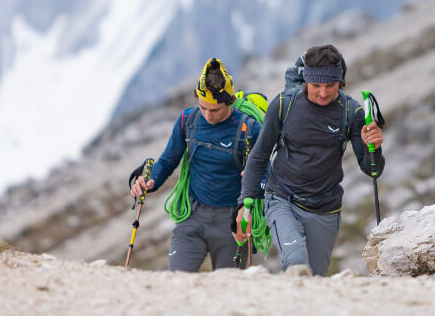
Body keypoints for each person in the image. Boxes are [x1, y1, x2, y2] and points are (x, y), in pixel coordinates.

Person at [236, 44, 384, 276]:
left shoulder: (351, 112)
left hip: (325, 210)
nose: (323, 93)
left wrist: (373, 146)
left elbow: (372, 170)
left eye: (330, 85)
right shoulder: (284, 105)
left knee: (315, 279)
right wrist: (244, 203)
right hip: (281, 200)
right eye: (316, 85)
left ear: (341, 82)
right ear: (306, 80)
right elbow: (259, 156)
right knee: (296, 263)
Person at [129, 58, 262, 271]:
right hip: (192, 216)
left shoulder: (249, 129)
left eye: (215, 110)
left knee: (227, 290)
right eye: (203, 108)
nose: (208, 115)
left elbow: (266, 175)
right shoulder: (187, 120)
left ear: (229, 101)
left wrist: (247, 206)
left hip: (232, 221)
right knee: (176, 279)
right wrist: (149, 180)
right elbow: (167, 161)